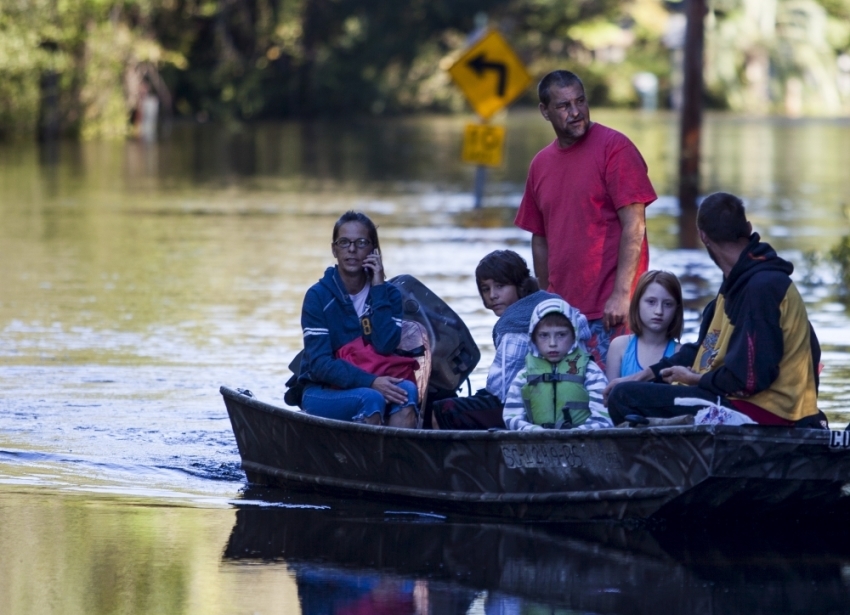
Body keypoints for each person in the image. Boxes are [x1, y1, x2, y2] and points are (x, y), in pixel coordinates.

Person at [605, 192, 825, 429]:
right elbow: (704, 349)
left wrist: (695, 379)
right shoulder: (737, 283)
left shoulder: (761, 288)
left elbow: (749, 380)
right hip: (736, 402)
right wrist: (646, 375)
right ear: (748, 228)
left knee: (624, 398)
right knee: (629, 388)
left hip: (764, 413)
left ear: (703, 237)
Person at [514, 70, 658, 369]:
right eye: (564, 106)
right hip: (563, 316)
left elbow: (635, 224)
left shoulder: (615, 148)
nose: (576, 112)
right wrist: (545, 299)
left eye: (580, 101)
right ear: (545, 111)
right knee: (566, 402)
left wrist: (622, 295)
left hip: (612, 311)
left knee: (612, 402)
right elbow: (540, 238)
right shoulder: (540, 164)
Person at [298, 211, 418, 428]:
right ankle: (363, 461)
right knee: (370, 398)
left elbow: (385, 345)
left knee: (407, 390)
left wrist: (379, 287)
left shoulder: (389, 294)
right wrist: (371, 382)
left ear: (373, 250)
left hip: (375, 378)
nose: (352, 249)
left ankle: (396, 459)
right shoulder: (318, 296)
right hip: (321, 390)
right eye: (344, 242)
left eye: (361, 242)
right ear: (334, 250)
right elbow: (319, 365)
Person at [430, 250, 561, 429]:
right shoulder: (554, 305)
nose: (492, 295)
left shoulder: (513, 327)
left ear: (521, 286)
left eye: (500, 286)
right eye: (486, 289)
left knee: (442, 410)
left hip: (527, 408)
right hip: (553, 399)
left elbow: (502, 390)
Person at [503, 298, 612, 431]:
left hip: (582, 443)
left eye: (561, 335)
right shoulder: (523, 375)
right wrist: (535, 432)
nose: (552, 343)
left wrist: (575, 434)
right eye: (544, 335)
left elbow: (604, 418)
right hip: (536, 443)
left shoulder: (591, 372)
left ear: (574, 336)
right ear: (533, 339)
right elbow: (511, 417)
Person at [606, 270, 683, 381]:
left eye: (668, 304)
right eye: (651, 302)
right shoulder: (619, 346)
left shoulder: (680, 353)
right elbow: (609, 394)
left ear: (676, 310)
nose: (659, 311)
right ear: (637, 304)